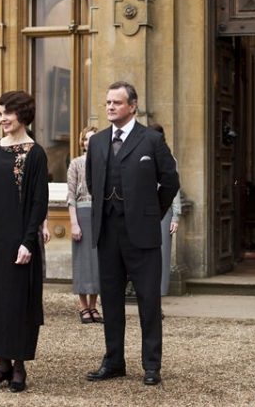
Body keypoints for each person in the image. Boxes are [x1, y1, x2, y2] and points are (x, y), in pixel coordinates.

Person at [85, 81, 179, 386]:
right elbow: (91, 182)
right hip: (107, 231)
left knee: (148, 300)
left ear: (132, 106)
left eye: (117, 102)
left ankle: (151, 365)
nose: (110, 107)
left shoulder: (151, 140)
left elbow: (170, 181)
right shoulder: (98, 142)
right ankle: (114, 361)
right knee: (111, 300)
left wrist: (152, 213)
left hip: (142, 233)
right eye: (108, 102)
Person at [0, 90, 49, 393]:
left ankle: (18, 366)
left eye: (7, 113)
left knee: (17, 303)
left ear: (22, 114)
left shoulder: (36, 153)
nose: (1, 118)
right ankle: (1, 365)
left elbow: (39, 202)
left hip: (18, 241)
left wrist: (28, 242)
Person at [67, 125, 103, 324]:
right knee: (82, 261)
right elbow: (71, 195)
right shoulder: (75, 163)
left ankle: (94, 305)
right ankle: (83, 306)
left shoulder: (104, 162)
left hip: (100, 214)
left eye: (94, 138)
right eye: (87, 138)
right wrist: (74, 223)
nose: (90, 142)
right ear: (82, 142)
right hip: (81, 213)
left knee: (97, 261)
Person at [149, 123, 182, 299]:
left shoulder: (169, 159)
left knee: (162, 254)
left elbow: (174, 189)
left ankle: (159, 294)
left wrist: (175, 216)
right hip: (143, 210)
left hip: (163, 210)